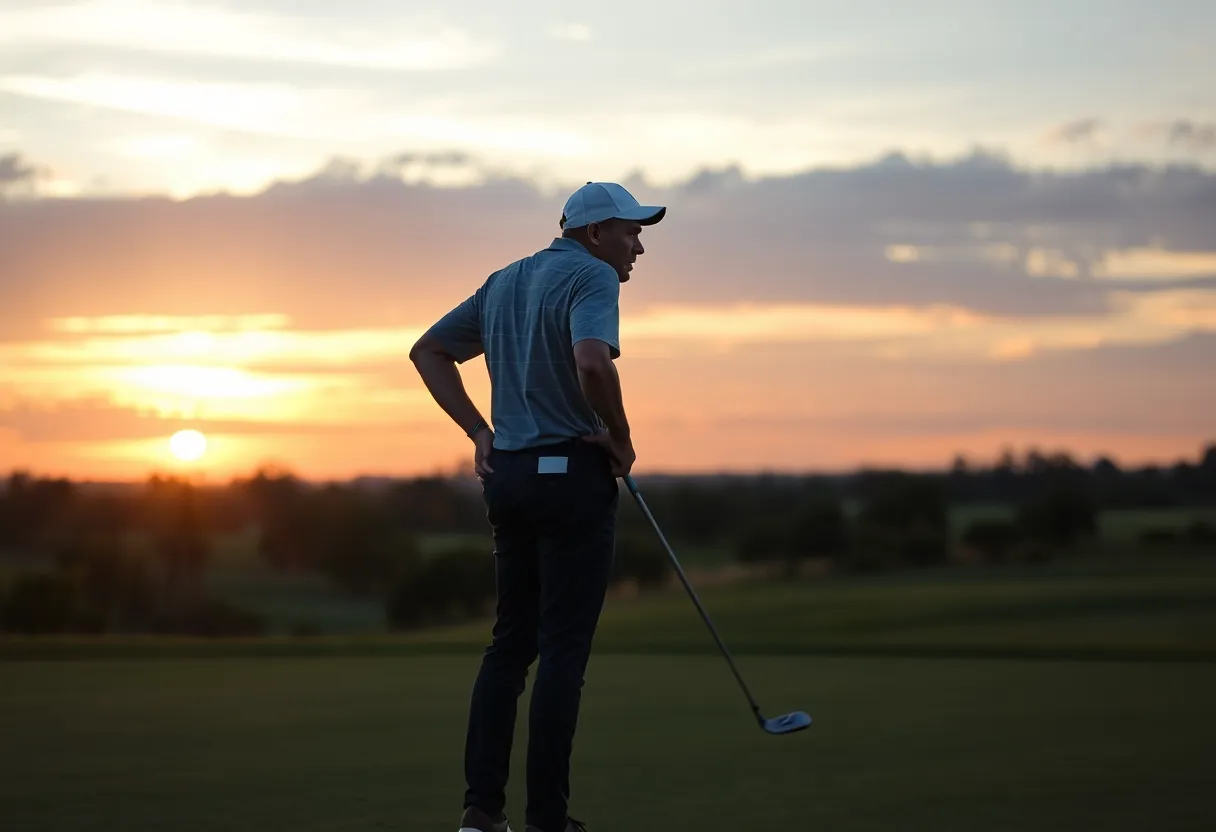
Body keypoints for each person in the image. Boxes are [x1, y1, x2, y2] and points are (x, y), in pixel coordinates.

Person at [408, 181, 666, 832]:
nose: (638, 246)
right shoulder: (592, 277)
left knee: (509, 645)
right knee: (562, 652)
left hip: (510, 477)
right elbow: (592, 364)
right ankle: (547, 819)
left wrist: (478, 431)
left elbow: (429, 351)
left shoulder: (505, 280)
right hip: (571, 477)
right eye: (631, 232)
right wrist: (622, 437)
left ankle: (481, 812)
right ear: (594, 231)